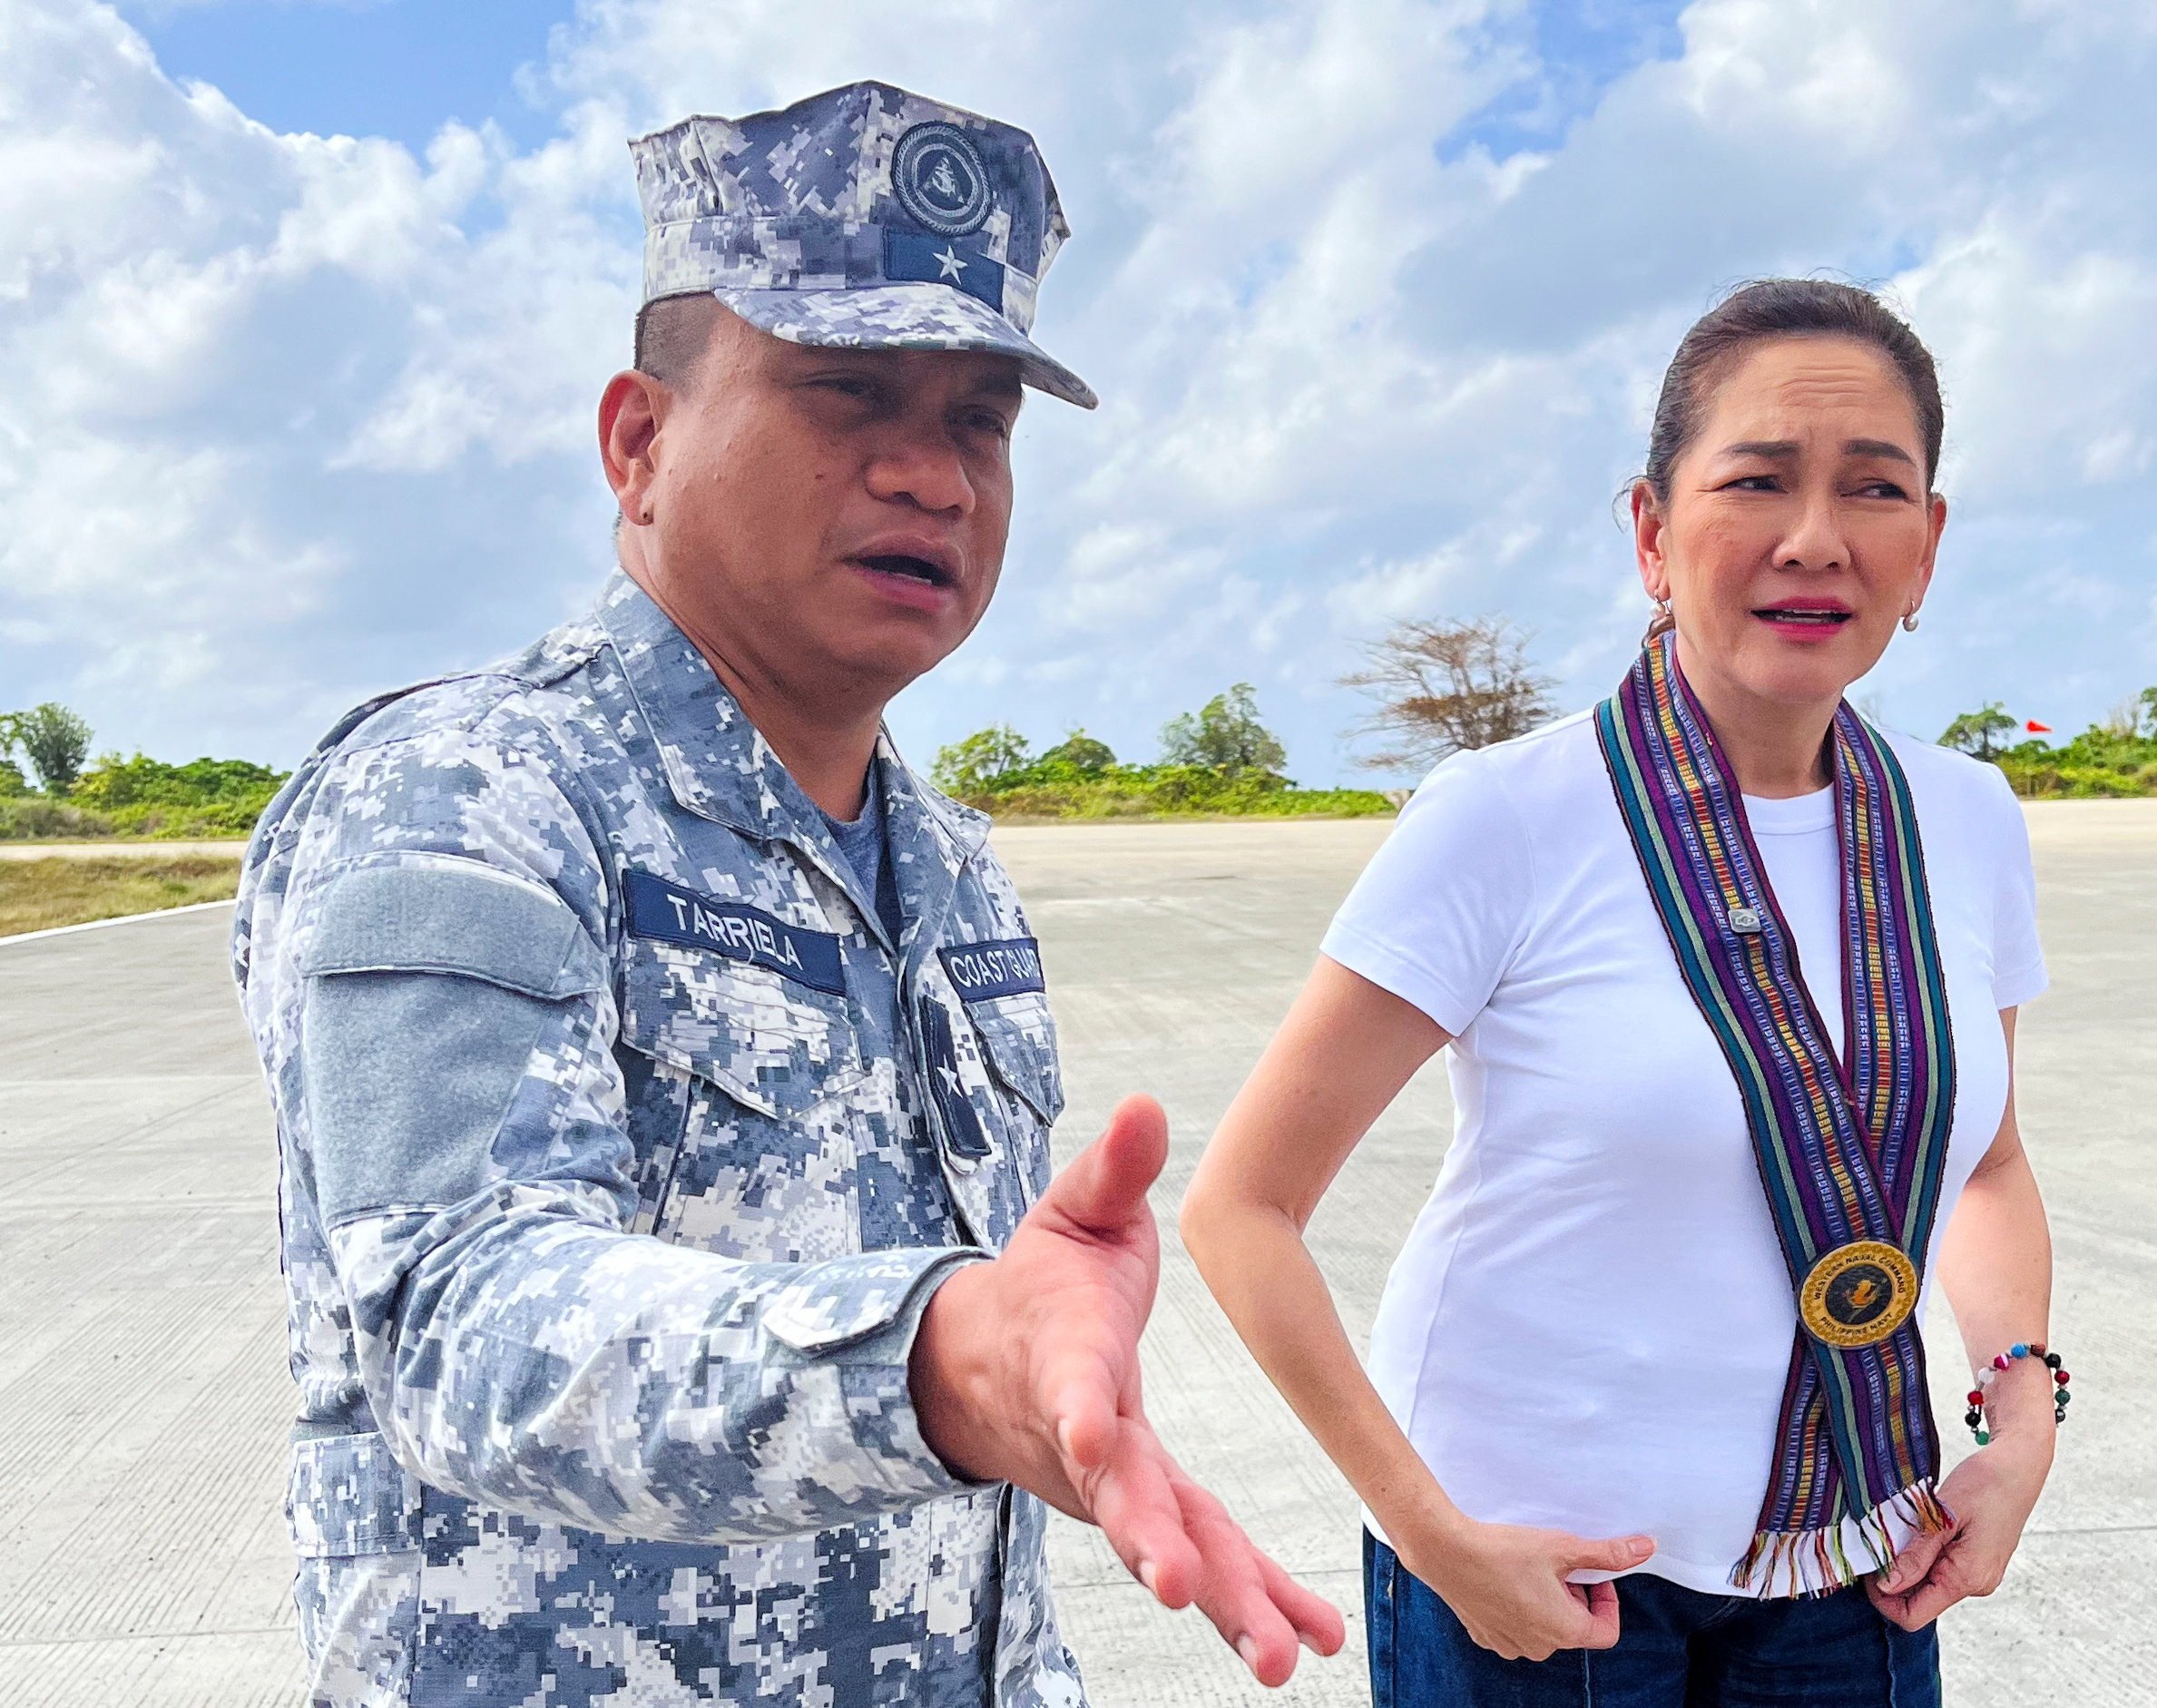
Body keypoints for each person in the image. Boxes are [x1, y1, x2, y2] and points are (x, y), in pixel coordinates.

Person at [234, 81, 1340, 1708]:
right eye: (845, 393)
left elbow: (997, 1384)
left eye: (979, 419)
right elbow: (462, 1322)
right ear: (639, 442)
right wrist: (931, 1360)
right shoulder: (467, 796)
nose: (935, 476)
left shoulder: (952, 866)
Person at [1181, 278, 2062, 1706]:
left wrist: (2020, 1412)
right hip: (1541, 1576)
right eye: (1756, 480)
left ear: (1927, 545)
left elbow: (1992, 1165)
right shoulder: (1505, 816)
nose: (1814, 538)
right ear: (1651, 533)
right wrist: (1430, 1533)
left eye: (1874, 489)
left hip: (1858, 1556)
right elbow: (1239, 1211)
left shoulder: (1964, 821)